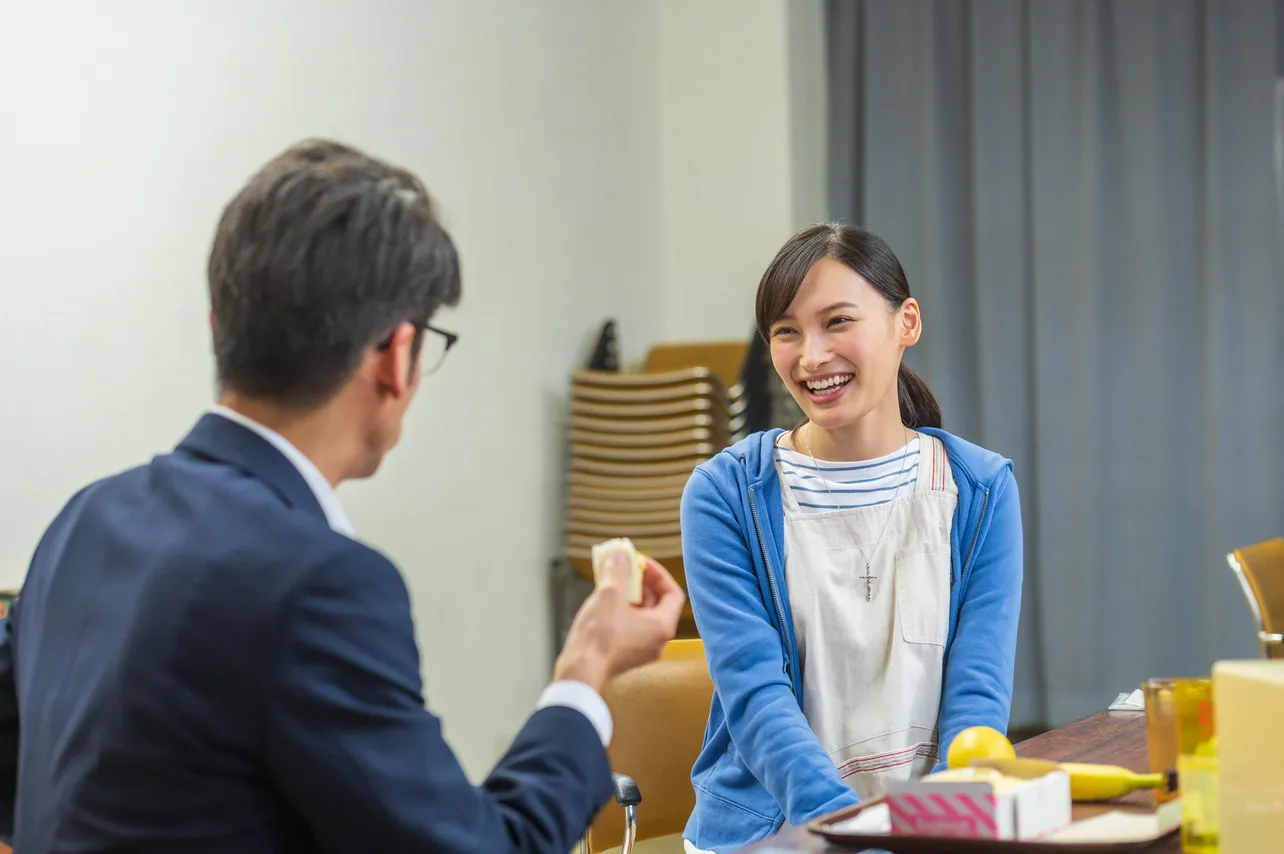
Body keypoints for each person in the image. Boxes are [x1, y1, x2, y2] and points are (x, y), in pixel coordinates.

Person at [0, 139, 686, 853]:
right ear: (396, 356)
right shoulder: (318, 583)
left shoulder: (83, 521)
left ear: (219, 330)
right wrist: (586, 672)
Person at [679, 224, 1023, 854]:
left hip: (928, 831)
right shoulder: (726, 494)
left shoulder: (980, 489)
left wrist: (930, 833)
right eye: (787, 332)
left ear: (906, 323)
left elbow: (977, 700)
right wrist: (855, 839)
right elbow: (757, 702)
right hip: (775, 834)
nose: (811, 356)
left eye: (838, 321)